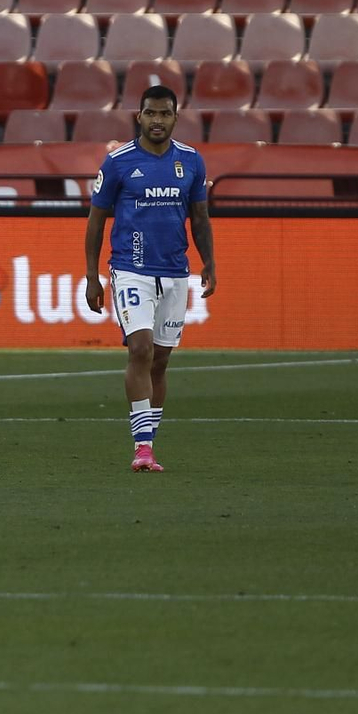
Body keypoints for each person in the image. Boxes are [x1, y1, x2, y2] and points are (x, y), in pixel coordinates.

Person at [84, 85, 217, 473]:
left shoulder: (191, 162)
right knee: (139, 349)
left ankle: (149, 442)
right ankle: (142, 448)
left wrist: (208, 261)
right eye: (150, 113)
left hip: (176, 272)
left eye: (164, 114)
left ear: (176, 117)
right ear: (138, 117)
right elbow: (95, 222)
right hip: (130, 269)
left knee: (160, 361)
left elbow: (200, 217)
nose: (157, 120)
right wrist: (93, 277)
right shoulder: (118, 162)